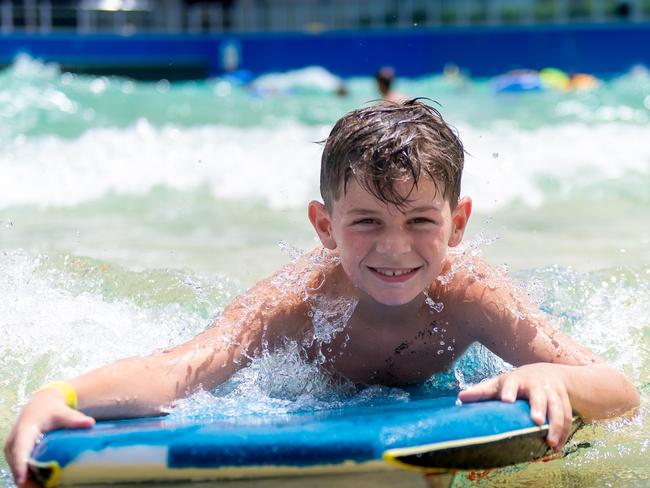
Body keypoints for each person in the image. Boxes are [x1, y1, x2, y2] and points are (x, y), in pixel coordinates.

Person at [4, 100, 639, 486]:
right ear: (323, 226)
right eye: (366, 222)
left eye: (421, 221)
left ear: (459, 222)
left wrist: (554, 381)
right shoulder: (297, 302)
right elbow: (182, 369)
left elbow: (619, 390)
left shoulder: (470, 293)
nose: (395, 248)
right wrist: (56, 396)